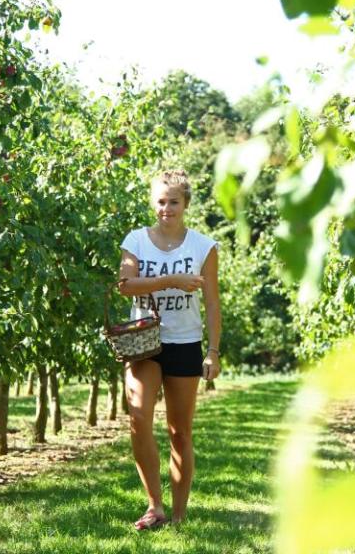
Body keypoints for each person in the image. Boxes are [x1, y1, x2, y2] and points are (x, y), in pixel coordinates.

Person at [116, 168, 221, 530]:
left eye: (173, 201)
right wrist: (171, 280)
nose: (166, 209)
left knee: (180, 431)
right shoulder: (136, 241)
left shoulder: (203, 247)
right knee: (139, 418)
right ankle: (154, 506)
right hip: (144, 342)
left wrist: (213, 351)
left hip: (185, 340)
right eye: (161, 201)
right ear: (153, 203)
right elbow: (125, 284)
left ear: (185, 204)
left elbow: (212, 303)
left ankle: (178, 515)